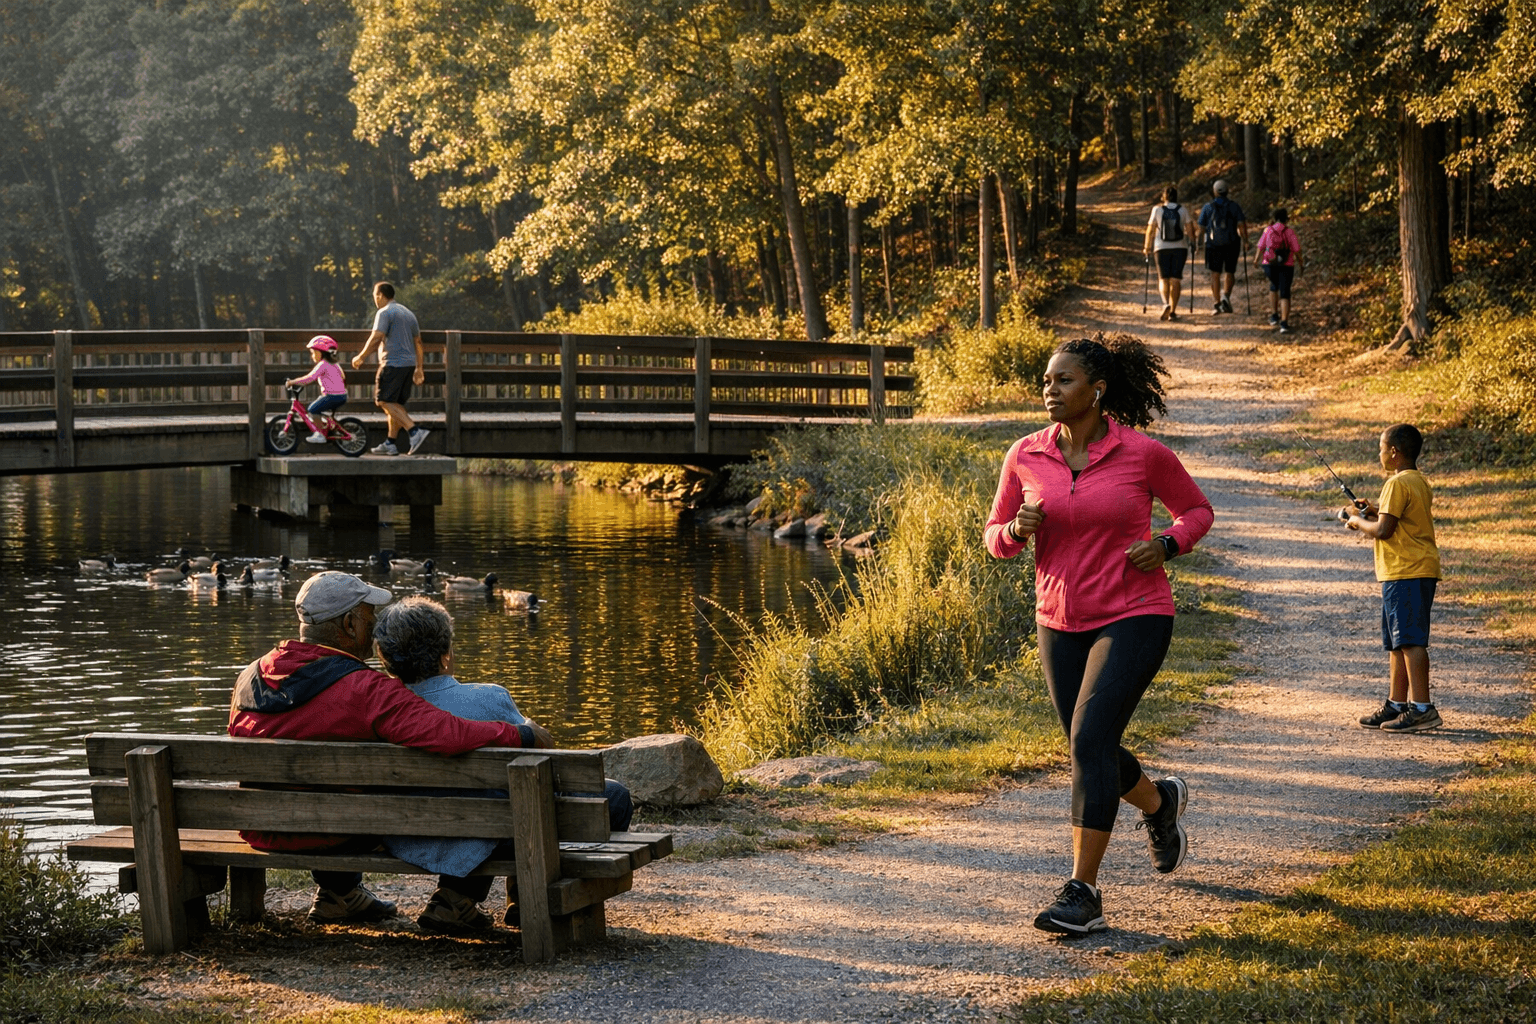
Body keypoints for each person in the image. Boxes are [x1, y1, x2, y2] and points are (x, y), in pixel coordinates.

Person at [984, 334, 1215, 936]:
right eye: (1045, 381)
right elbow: (995, 538)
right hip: (1059, 618)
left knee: (1088, 738)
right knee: (1092, 747)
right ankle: (1161, 803)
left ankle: (1083, 892)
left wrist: (1165, 544)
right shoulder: (1025, 454)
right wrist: (1014, 527)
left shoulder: (1143, 454)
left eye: (1063, 381)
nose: (1049, 391)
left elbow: (1196, 512)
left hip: (1136, 612)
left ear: (1097, 390)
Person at [227, 572, 555, 926]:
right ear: (350, 624)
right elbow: (447, 733)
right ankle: (352, 893)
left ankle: (339, 894)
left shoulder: (250, 675)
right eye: (370, 614)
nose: (375, 623)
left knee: (329, 794)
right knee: (344, 803)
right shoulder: (366, 689)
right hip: (334, 832)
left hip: (261, 826)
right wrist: (521, 735)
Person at [371, 596, 635, 934]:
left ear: (385, 659)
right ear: (446, 652)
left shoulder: (378, 710)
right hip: (489, 829)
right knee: (612, 797)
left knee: (502, 801)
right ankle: (529, 898)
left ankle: (457, 898)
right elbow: (544, 763)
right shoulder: (488, 698)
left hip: (407, 836)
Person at [1342, 424, 1444, 733]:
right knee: (1398, 643)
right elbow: (1397, 520)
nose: (1380, 454)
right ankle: (1396, 704)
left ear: (1395, 452)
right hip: (1406, 571)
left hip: (1408, 572)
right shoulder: (1418, 481)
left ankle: (1423, 709)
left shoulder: (1397, 484)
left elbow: (1384, 530)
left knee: (1410, 641)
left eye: (1382, 449)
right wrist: (1374, 510)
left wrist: (1358, 522)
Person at [352, 281, 430, 456]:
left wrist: (361, 357)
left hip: (392, 364)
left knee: (383, 401)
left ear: (380, 295)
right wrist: (419, 368)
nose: (374, 299)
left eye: (374, 295)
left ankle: (414, 432)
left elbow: (376, 337)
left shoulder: (384, 312)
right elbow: (418, 342)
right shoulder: (409, 314)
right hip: (409, 365)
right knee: (395, 405)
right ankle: (390, 443)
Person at [1195, 180, 1248, 315]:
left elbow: (1201, 228)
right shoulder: (1234, 206)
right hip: (1232, 244)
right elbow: (1241, 225)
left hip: (1213, 245)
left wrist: (1198, 244)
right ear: (1227, 191)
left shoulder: (1208, 207)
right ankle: (1226, 297)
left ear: (1215, 191)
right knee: (1230, 271)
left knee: (1215, 274)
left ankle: (1217, 303)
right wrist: (1246, 241)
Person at [284, 335, 349, 444]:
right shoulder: (335, 364)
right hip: (341, 395)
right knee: (319, 405)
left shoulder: (322, 365)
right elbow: (343, 376)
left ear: (321, 352)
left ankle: (320, 435)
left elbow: (309, 378)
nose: (312, 356)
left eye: (314, 353)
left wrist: (293, 382)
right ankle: (327, 427)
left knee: (312, 410)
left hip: (332, 396)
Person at [1142, 186, 1192, 321]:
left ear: (1164, 197)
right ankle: (1173, 311)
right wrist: (1193, 243)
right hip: (1180, 248)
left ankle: (1166, 303)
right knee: (1175, 280)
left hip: (1161, 248)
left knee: (1163, 279)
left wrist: (1147, 246)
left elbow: (1150, 229)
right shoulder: (1183, 210)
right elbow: (1189, 229)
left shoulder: (1157, 210)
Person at [1253, 208, 1305, 334]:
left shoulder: (1268, 230)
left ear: (1275, 218)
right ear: (1286, 218)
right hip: (1287, 264)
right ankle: (1284, 323)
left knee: (1274, 285)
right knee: (1285, 292)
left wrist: (1256, 260)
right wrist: (1301, 263)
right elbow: (1297, 249)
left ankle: (1274, 315)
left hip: (1269, 264)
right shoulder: (1290, 232)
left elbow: (1261, 247)